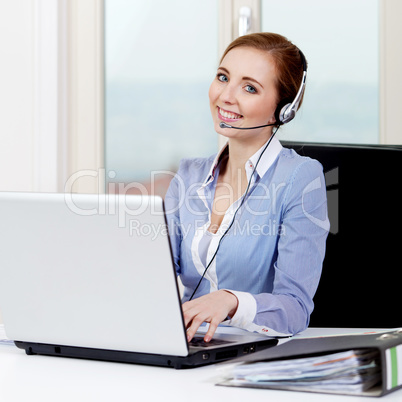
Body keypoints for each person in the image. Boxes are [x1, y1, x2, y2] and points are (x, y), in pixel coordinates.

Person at [164, 32, 329, 343]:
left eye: (249, 87)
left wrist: (231, 301)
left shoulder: (300, 178)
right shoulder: (188, 175)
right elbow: (151, 271)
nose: (226, 96)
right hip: (186, 344)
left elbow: (295, 309)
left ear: (283, 110)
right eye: (223, 77)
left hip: (254, 351)